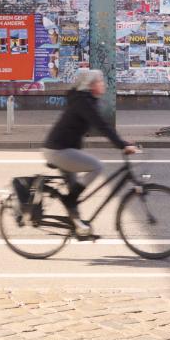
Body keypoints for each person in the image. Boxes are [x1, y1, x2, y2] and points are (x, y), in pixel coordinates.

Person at [43, 69, 139, 238]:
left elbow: (102, 125)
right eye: (100, 82)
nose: (103, 85)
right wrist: (122, 145)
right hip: (59, 150)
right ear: (90, 85)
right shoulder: (84, 102)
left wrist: (122, 143)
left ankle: (79, 227)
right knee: (96, 167)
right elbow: (102, 126)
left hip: (61, 148)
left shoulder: (86, 100)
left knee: (74, 190)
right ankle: (70, 203)